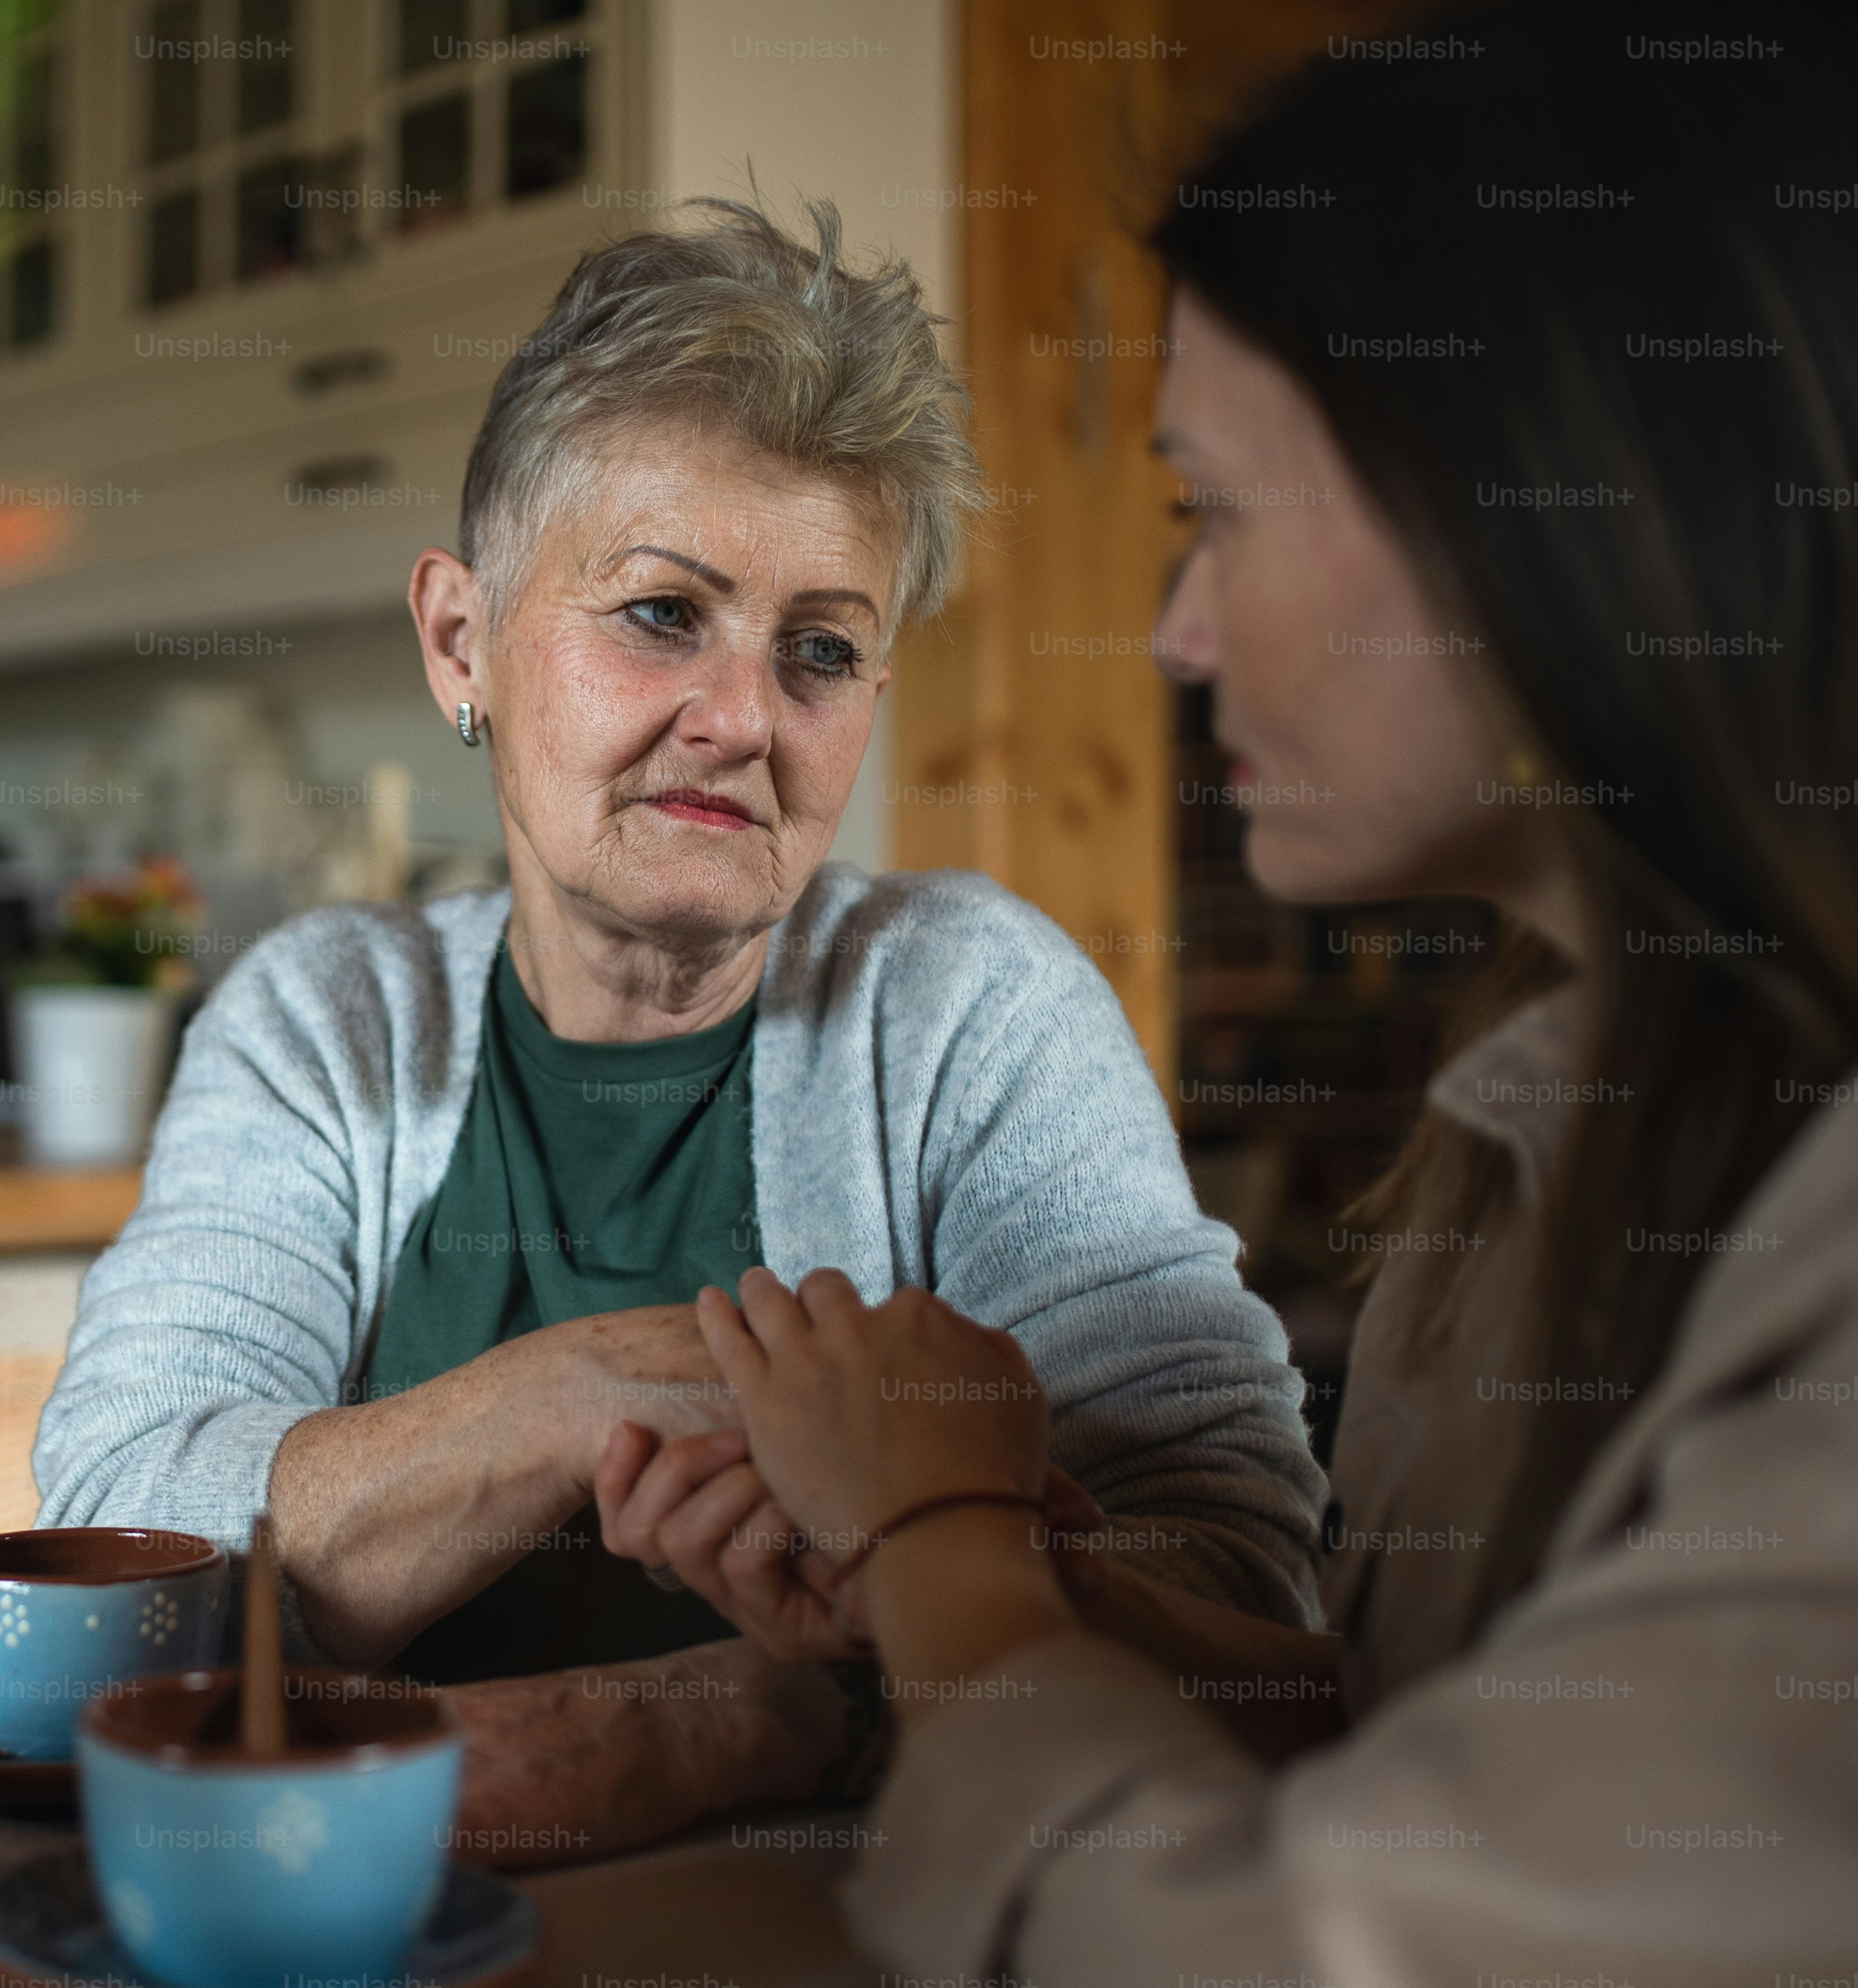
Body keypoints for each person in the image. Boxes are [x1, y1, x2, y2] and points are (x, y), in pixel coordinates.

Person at [601, 1, 1858, 1974]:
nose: (1178, 632)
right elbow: (1439, 1754)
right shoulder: (1562, 1118)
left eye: (1217, 506)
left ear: (1537, 502)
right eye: (653, 619)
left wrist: (939, 1550)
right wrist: (991, 1575)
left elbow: (1282, 1945)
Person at [34, 199, 1329, 1857]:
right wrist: (584, 1399)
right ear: (459, 642)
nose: (740, 723)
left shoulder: (967, 1006)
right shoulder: (321, 1019)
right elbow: (110, 1559)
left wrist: (744, 1712)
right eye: (660, 613)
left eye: (819, 651)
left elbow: (1243, 1582)